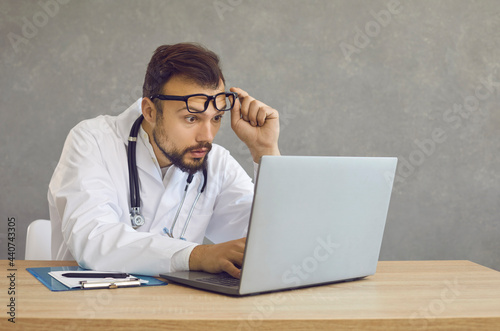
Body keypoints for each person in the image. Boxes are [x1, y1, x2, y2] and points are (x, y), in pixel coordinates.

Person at [48, 43, 280, 278]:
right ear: (149, 111)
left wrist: (264, 151)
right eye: (191, 118)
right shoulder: (92, 141)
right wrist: (198, 256)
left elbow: (273, 240)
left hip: (175, 309)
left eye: (216, 118)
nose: (207, 137)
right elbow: (92, 240)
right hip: (88, 307)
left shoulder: (216, 163)